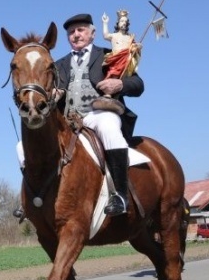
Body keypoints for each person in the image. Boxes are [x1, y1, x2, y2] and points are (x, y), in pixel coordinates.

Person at [54, 13, 144, 216]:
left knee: (109, 127)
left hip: (99, 113)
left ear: (93, 33)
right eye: (71, 32)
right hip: (68, 119)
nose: (76, 35)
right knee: (25, 145)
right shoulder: (59, 64)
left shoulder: (109, 54)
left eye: (80, 30)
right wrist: (53, 94)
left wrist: (119, 84)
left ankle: (120, 195)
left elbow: (138, 85)